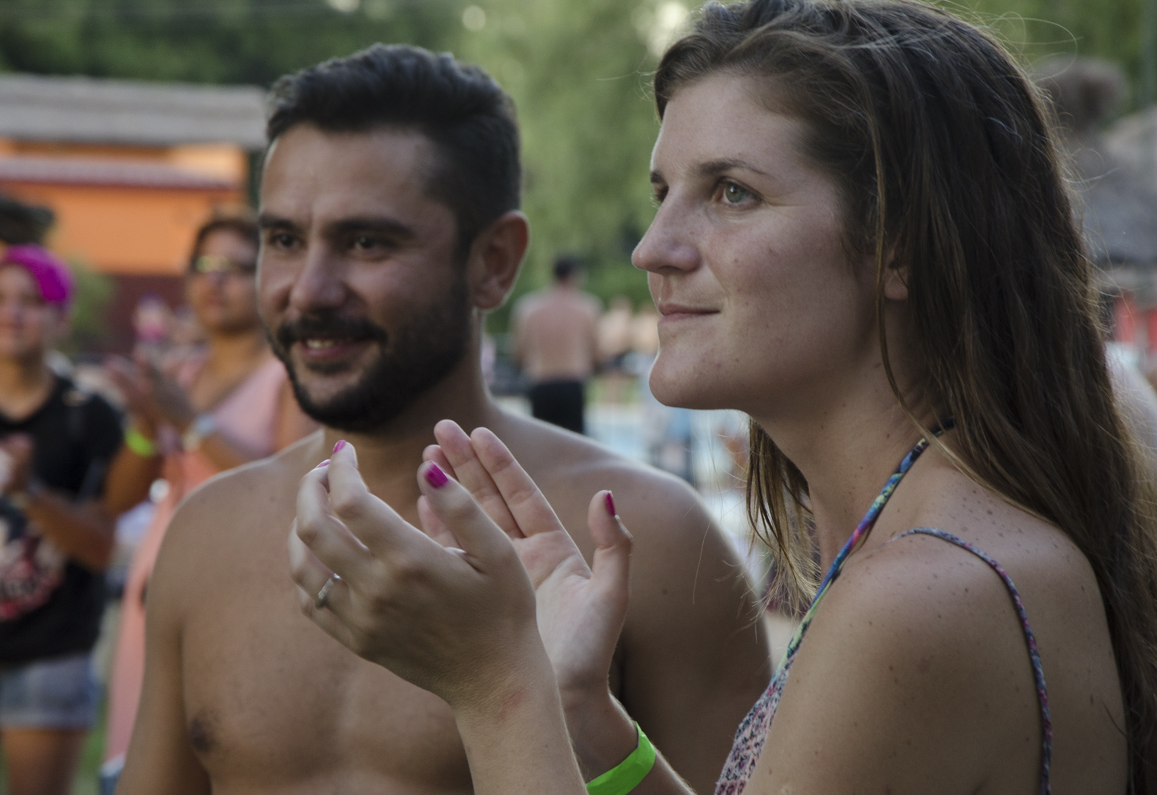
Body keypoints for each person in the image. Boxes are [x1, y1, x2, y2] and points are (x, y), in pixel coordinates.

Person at [289, 2, 1157, 794]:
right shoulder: (941, 543)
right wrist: (581, 711)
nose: (652, 247)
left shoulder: (918, 594)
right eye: (664, 194)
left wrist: (492, 685)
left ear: (901, 242)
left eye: (732, 193)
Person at [116, 45, 768, 795]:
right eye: (285, 240)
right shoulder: (206, 534)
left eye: (366, 242)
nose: (310, 289)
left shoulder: (646, 542)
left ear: (494, 261)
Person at [102, 215, 316, 768]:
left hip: (241, 585)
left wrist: (190, 422)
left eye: (235, 268)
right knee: (144, 754)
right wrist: (145, 422)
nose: (215, 282)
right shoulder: (181, 372)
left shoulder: (290, 377)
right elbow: (120, 499)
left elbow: (291, 493)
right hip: (158, 576)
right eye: (204, 266)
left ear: (269, 276)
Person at [0, 245, 132, 795]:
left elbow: (100, 548)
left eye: (31, 302)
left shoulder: (90, 415)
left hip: (51, 652)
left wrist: (27, 490)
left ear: (61, 318)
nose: (11, 314)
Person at [512, 256, 601, 433]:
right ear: (575, 275)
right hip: (572, 381)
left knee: (542, 442)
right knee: (574, 443)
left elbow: (519, 351)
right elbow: (596, 352)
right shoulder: (586, 306)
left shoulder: (529, 306)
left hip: (540, 381)